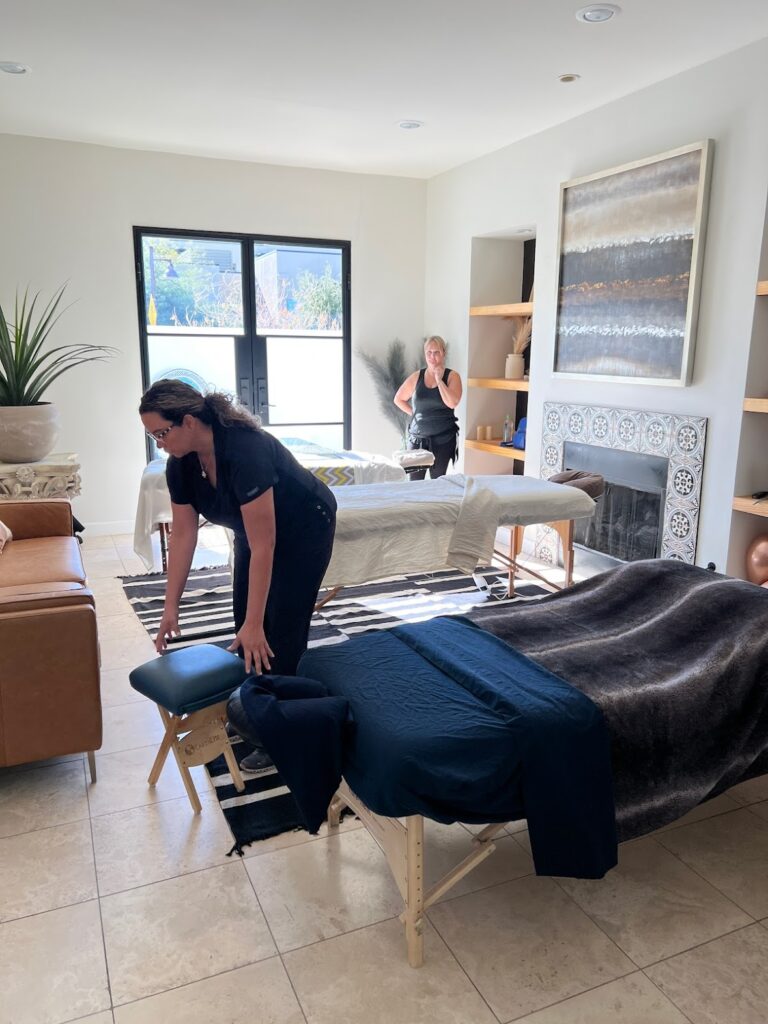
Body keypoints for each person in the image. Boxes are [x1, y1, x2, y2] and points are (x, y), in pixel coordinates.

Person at [139, 379, 337, 772]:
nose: (159, 443)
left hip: (304, 528)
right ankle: (255, 711)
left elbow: (267, 547)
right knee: (244, 624)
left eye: (161, 433)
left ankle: (280, 734)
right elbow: (183, 535)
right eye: (152, 436)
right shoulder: (181, 465)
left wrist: (255, 624)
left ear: (190, 421)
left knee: (278, 630)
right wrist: (170, 607)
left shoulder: (246, 450)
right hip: (255, 531)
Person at [393, 335, 462, 480]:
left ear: (443, 353)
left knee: (437, 482)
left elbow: (452, 402)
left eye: (436, 352)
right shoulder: (417, 376)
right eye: (429, 353)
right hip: (417, 439)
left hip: (443, 440)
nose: (432, 356)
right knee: (414, 483)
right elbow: (398, 399)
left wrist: (439, 380)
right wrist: (415, 413)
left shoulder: (452, 376)